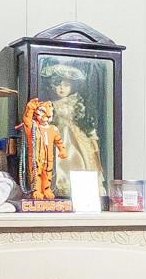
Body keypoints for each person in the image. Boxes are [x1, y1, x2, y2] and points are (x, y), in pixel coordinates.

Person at [42, 61, 104, 197]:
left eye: (66, 85)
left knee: (81, 159)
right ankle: (61, 188)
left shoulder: (76, 101)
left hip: (76, 137)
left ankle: (82, 190)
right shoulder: (51, 104)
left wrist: (91, 136)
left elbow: (84, 120)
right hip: (59, 137)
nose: (61, 89)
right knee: (60, 162)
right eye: (58, 84)